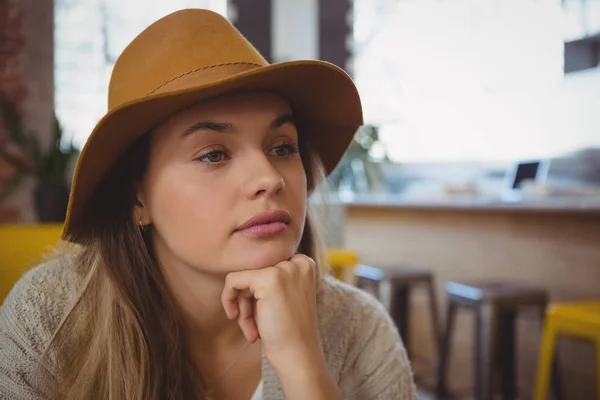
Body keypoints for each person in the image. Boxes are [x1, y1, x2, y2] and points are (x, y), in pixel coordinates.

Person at [0, 9, 417, 400]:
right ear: (137, 198)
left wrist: (305, 369)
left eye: (282, 147)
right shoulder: (50, 322)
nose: (269, 178)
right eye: (213, 154)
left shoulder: (360, 329)